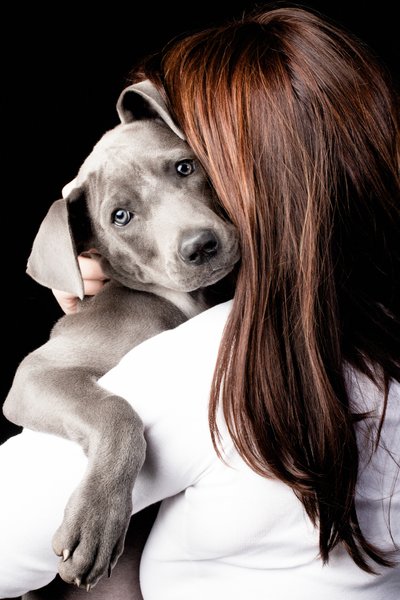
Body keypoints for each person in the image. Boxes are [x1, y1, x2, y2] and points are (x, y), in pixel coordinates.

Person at [1, 4, 399, 599]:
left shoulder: (209, 363)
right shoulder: (372, 331)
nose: (189, 225)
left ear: (258, 177)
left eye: (191, 164)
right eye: (124, 215)